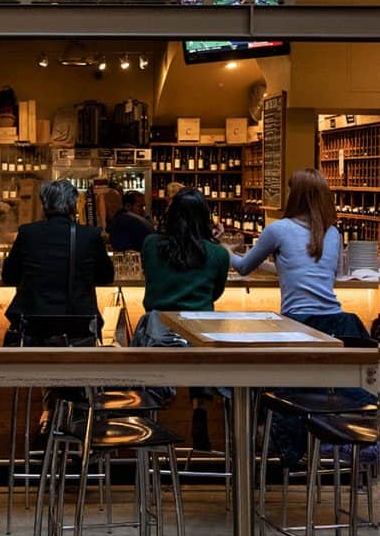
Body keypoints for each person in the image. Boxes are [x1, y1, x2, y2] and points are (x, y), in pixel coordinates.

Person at [228, 168, 376, 463]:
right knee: (324, 389)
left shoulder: (278, 229)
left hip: (298, 326)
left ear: (294, 194)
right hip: (337, 325)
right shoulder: (332, 233)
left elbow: (243, 267)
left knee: (270, 384)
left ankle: (285, 446)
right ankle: (332, 439)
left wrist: (222, 251)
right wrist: (278, 268)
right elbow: (322, 275)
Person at [2, 179, 114, 435]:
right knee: (73, 362)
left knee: (50, 354)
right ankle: (74, 422)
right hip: (79, 330)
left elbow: (9, 275)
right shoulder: (90, 235)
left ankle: (51, 414)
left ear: (44, 205)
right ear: (75, 205)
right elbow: (106, 277)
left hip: (34, 334)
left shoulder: (28, 233)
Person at [141, 187, 230, 450]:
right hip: (199, 334)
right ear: (205, 217)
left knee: (156, 352)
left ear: (170, 214)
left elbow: (150, 278)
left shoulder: (151, 244)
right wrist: (213, 242)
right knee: (201, 352)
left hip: (157, 332)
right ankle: (199, 407)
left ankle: (151, 412)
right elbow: (216, 291)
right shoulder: (217, 254)